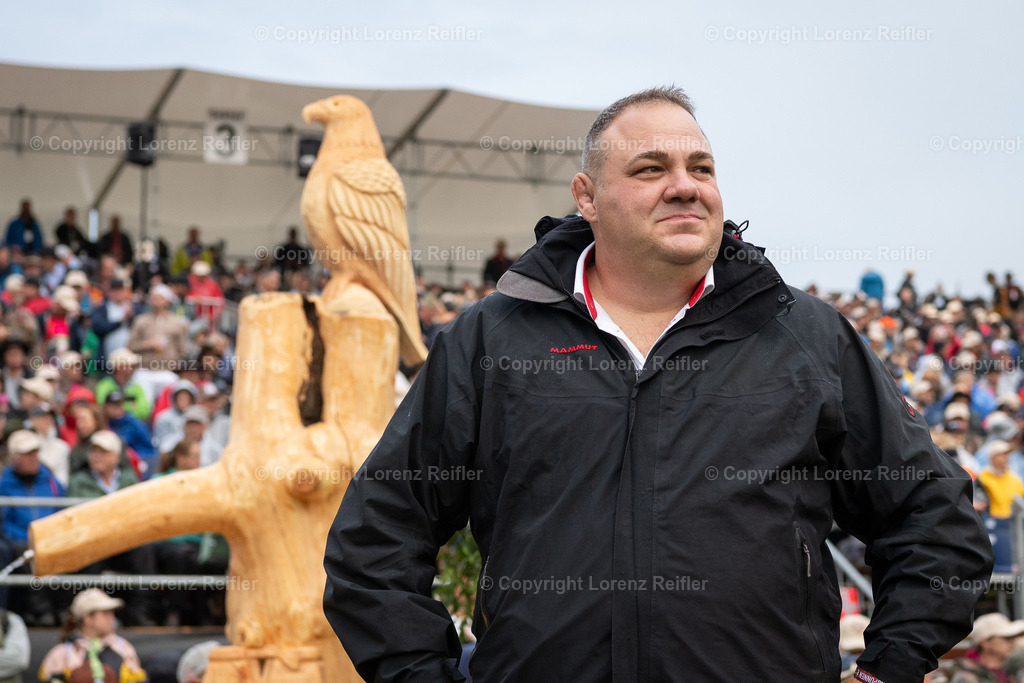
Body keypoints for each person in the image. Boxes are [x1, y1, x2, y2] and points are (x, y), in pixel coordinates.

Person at [322, 87, 993, 682]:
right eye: (652, 169)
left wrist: (890, 665)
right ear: (585, 196)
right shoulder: (491, 338)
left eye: (701, 168)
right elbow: (375, 536)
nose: (685, 185)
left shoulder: (804, 335)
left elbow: (935, 517)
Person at [38, 588, 147, 682]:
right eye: (105, 614)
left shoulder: (123, 648)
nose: (112, 618)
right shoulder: (62, 653)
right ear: (87, 618)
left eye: (112, 613)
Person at [944, 612, 1024, 682]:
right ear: (984, 643)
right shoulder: (966, 676)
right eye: (1006, 638)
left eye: (1013, 637)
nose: (1012, 642)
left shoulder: (1009, 673)